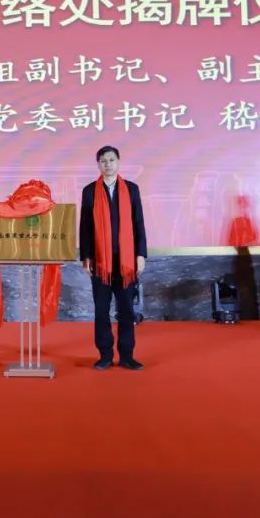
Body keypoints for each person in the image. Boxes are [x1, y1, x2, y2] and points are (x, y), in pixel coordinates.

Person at [80, 146, 147, 370]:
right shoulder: (89, 191)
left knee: (126, 309)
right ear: (98, 164)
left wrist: (140, 254)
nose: (107, 164)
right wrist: (86, 256)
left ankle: (127, 355)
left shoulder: (131, 189)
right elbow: (85, 227)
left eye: (111, 160)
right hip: (100, 262)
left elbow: (138, 224)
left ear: (118, 162)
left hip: (126, 262)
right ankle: (105, 355)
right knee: (101, 310)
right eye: (103, 161)